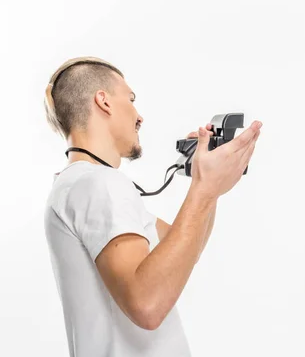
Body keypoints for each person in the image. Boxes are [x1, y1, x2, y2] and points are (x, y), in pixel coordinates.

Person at [43, 56, 262, 357]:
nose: (139, 115)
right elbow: (148, 304)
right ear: (103, 101)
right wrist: (204, 188)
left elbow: (185, 253)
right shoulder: (97, 184)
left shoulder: (79, 185)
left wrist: (208, 184)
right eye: (130, 99)